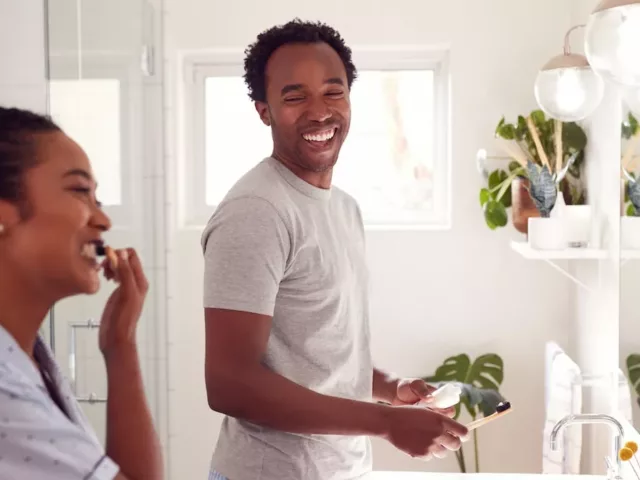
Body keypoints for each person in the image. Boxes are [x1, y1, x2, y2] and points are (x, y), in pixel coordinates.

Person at [201, 19, 468, 480]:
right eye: (294, 96)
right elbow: (229, 385)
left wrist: (392, 390)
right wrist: (385, 423)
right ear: (263, 110)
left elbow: (316, 359)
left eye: (332, 91)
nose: (320, 112)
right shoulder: (257, 211)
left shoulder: (343, 208)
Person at [0, 106, 163, 480]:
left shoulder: (30, 360)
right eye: (79, 191)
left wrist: (120, 343)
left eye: (98, 200)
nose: (103, 220)